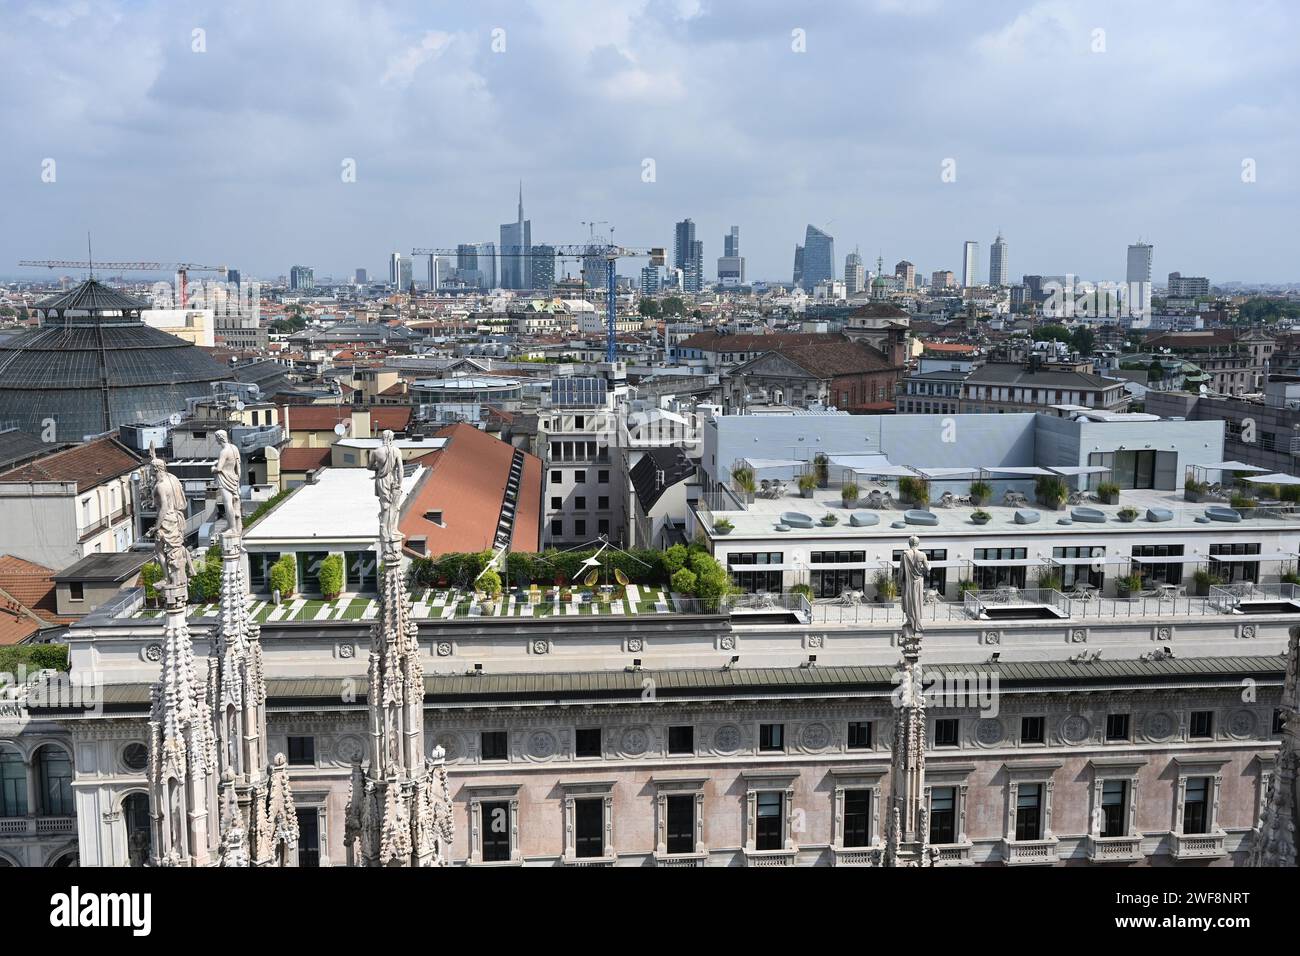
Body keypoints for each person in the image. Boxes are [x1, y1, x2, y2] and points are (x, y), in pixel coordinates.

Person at [367, 429, 403, 545]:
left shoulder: (376, 452)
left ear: (382, 438)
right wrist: (399, 483)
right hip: (393, 480)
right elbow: (400, 469)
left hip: (382, 480)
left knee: (385, 506)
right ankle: (390, 530)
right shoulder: (397, 451)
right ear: (392, 438)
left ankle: (388, 531)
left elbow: (369, 467)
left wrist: (380, 469)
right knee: (394, 506)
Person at [899, 534, 929, 642]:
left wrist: (899, 582)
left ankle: (910, 620)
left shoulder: (905, 554)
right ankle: (917, 623)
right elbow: (927, 568)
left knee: (909, 601)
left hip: (908, 582)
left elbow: (901, 570)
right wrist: (929, 567)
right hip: (918, 582)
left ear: (909, 543)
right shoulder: (922, 555)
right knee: (916, 602)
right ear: (918, 543)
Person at [213, 429, 242, 537]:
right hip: (233, 478)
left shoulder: (224, 451)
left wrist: (213, 468)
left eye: (216, 438)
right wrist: (238, 482)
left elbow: (219, 468)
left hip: (225, 479)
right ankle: (232, 525)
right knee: (233, 504)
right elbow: (238, 467)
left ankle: (232, 528)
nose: (215, 440)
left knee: (228, 504)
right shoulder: (234, 448)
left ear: (219, 438)